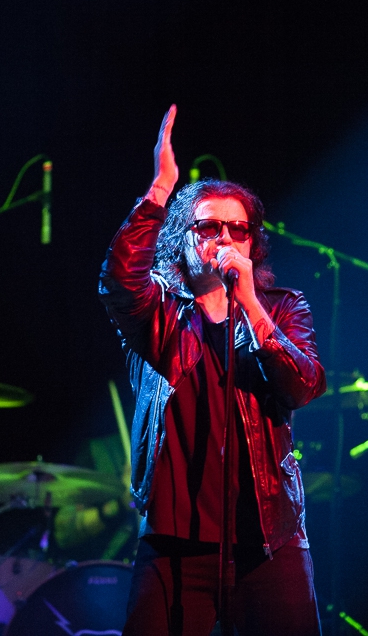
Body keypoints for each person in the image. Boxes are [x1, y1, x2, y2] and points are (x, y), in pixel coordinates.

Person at [99, 105, 327, 636]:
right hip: (173, 543)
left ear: (252, 242)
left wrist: (250, 305)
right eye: (208, 227)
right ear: (183, 237)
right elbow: (117, 281)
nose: (224, 238)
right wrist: (160, 189)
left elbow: (303, 385)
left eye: (237, 229)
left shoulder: (281, 307)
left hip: (268, 541)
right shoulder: (157, 312)